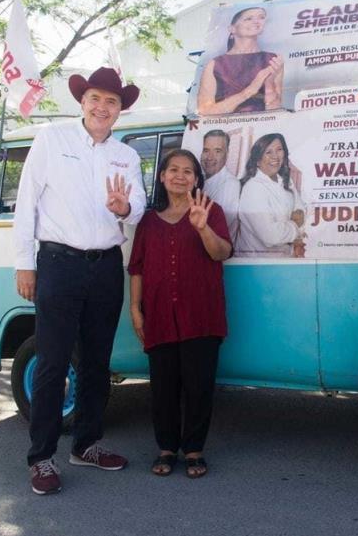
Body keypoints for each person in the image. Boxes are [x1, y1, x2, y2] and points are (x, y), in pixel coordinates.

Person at [13, 67, 146, 495]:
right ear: (82, 102)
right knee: (53, 363)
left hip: (106, 265)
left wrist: (124, 208)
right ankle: (42, 457)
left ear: (120, 111)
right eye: (95, 98)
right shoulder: (51, 138)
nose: (102, 107)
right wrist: (24, 263)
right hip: (58, 263)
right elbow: (26, 202)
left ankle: (86, 444)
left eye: (111, 102)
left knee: (96, 362)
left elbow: (139, 208)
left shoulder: (127, 155)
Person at [128, 149, 232, 479]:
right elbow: (137, 268)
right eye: (173, 169)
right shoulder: (147, 220)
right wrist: (135, 308)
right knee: (163, 387)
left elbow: (222, 253)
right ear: (161, 176)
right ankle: (166, 448)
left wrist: (202, 228)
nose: (180, 175)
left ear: (197, 179)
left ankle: (194, 450)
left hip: (201, 314)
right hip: (158, 315)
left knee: (198, 387)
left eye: (188, 171)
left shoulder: (211, 212)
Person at [196, 6, 284, 115]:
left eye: (261, 17)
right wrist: (248, 92)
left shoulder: (273, 59)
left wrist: (269, 83)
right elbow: (204, 112)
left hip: (261, 128)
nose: (256, 21)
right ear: (232, 29)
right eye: (248, 19)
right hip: (225, 129)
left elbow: (274, 111)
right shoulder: (215, 64)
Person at [235, 133, 306, 258]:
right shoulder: (253, 188)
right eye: (268, 152)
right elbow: (271, 236)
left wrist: (292, 229)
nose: (275, 156)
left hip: (284, 260)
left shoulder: (285, 180)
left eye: (279, 150)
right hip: (256, 266)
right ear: (257, 160)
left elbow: (302, 211)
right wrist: (295, 225)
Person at [201, 129, 241, 239]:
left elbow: (220, 226)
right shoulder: (200, 180)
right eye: (206, 150)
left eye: (217, 151)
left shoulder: (230, 184)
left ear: (227, 155)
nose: (210, 157)